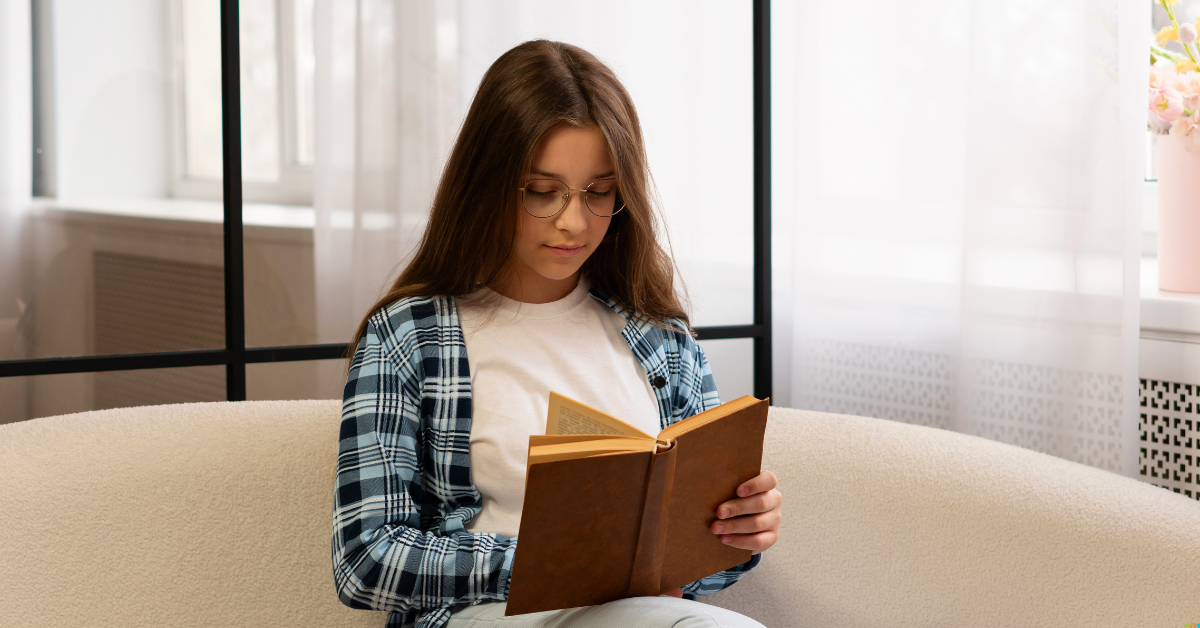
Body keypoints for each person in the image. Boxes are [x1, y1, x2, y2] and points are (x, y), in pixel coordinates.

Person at [332, 39, 783, 628]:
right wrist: (552, 563)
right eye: (542, 192)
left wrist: (738, 534)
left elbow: (698, 567)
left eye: (598, 192)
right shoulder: (410, 337)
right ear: (488, 184)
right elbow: (363, 559)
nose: (573, 221)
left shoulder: (661, 339)